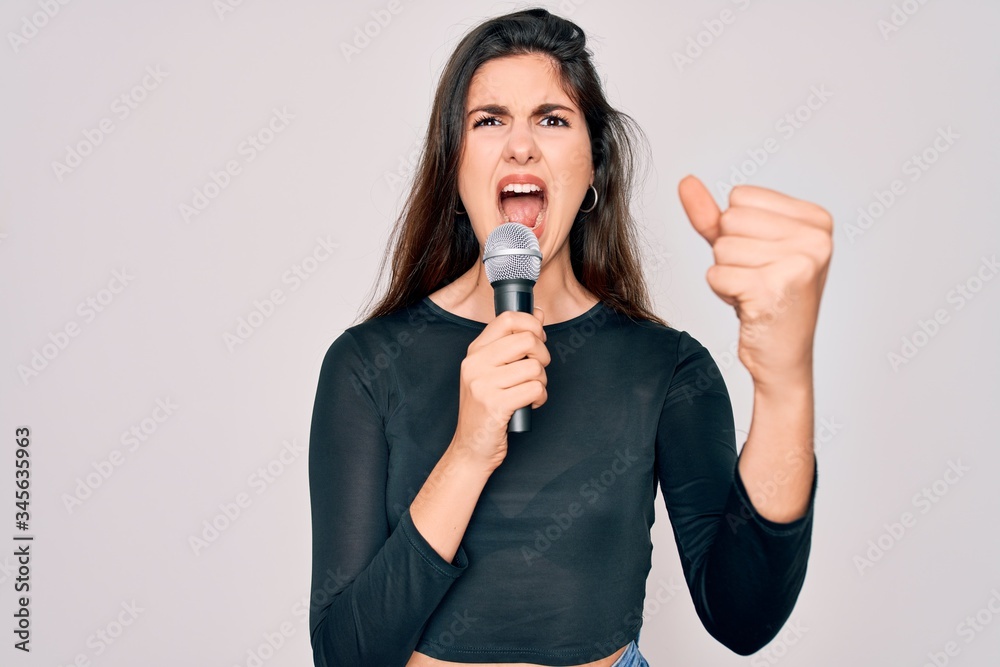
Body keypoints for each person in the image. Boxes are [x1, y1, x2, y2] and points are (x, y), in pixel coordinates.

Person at [307, 7, 831, 667]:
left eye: (552, 119)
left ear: (593, 165)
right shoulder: (366, 363)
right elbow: (344, 656)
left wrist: (785, 383)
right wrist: (469, 450)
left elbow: (744, 617)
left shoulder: (664, 366)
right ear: (454, 165)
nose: (520, 146)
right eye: (489, 119)